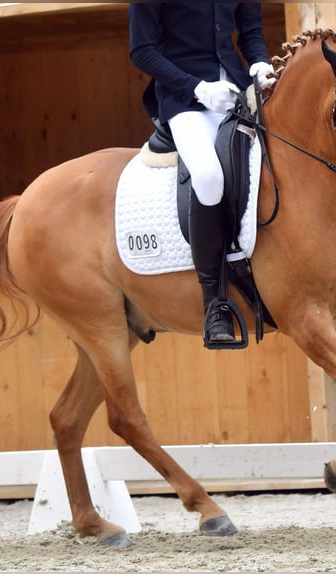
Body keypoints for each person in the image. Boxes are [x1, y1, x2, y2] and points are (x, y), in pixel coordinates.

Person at [129, 3, 275, 346]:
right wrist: (197, 88)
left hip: (238, 92)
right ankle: (215, 303)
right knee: (209, 176)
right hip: (186, 101)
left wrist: (259, 62)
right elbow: (142, 51)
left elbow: (250, 32)